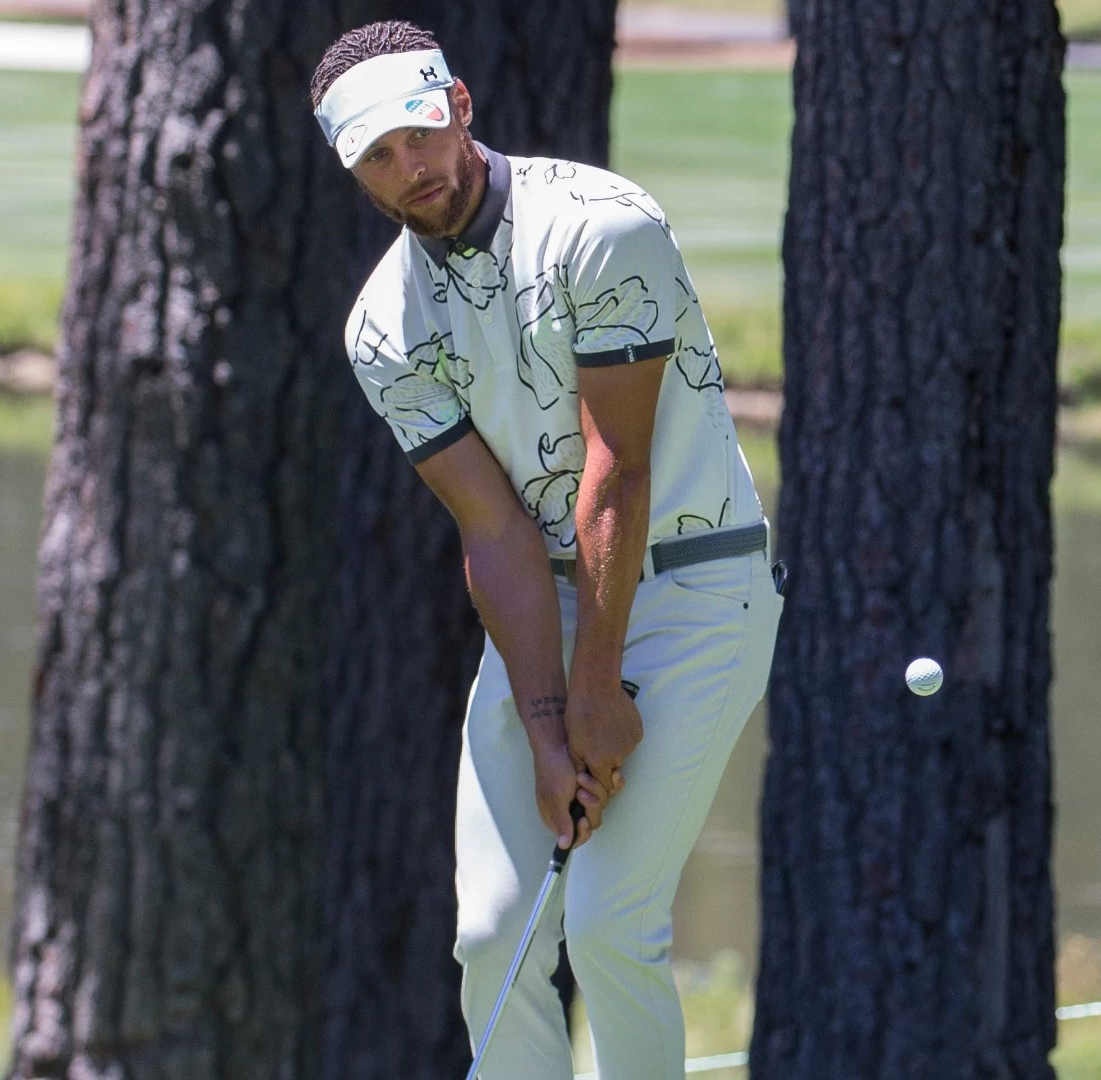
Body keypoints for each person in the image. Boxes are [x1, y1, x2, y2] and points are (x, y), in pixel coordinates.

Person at [310, 21, 783, 1078]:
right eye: (377, 157)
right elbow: (496, 529)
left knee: (610, 922)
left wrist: (596, 691)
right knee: (493, 934)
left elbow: (618, 470)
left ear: (459, 106)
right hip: (548, 608)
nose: (409, 168)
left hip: (698, 593)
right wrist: (545, 722)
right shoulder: (383, 326)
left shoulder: (601, 226)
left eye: (418, 134)